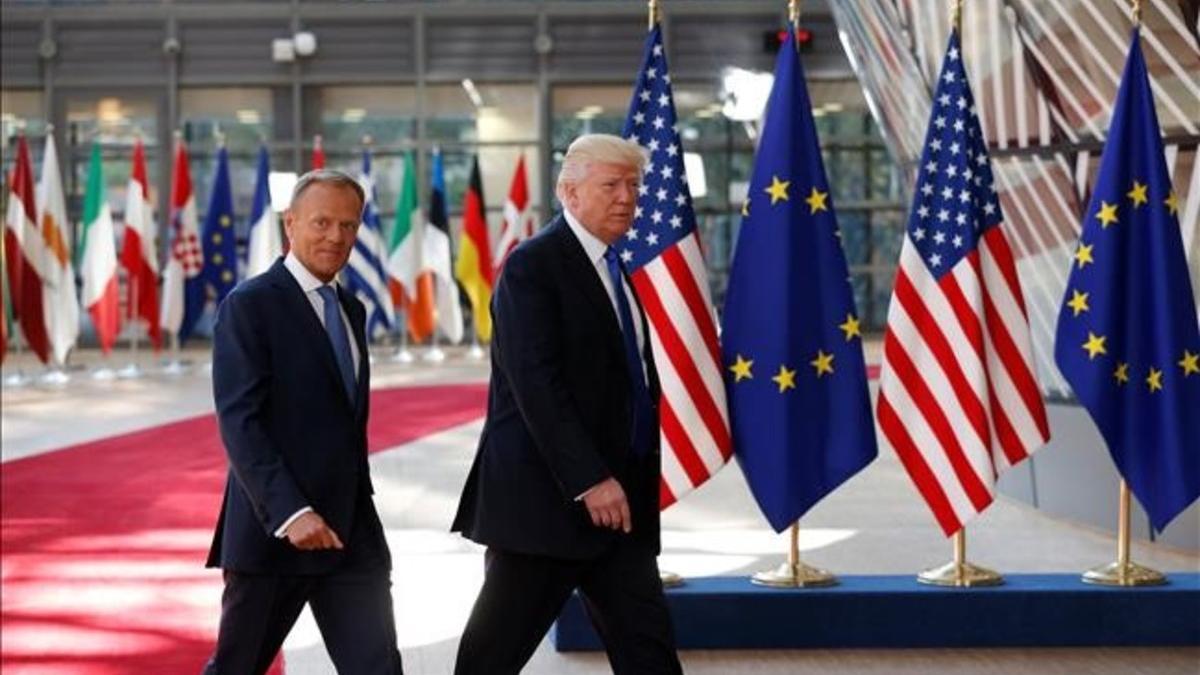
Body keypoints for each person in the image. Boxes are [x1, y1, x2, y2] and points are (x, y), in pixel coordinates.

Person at [452, 134, 682, 675]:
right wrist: (589, 479)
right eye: (610, 185)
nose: (626, 197)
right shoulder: (533, 266)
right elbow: (537, 387)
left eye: (633, 185)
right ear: (569, 192)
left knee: (649, 650)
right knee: (492, 656)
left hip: (618, 508)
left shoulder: (612, 265)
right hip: (546, 507)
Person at [204, 170, 402, 674]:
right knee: (237, 668)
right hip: (277, 532)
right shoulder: (249, 306)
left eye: (349, 225)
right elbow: (240, 422)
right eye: (321, 222)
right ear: (290, 223)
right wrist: (292, 513)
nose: (336, 237)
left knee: (378, 667)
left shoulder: (351, 308)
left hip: (351, 532)